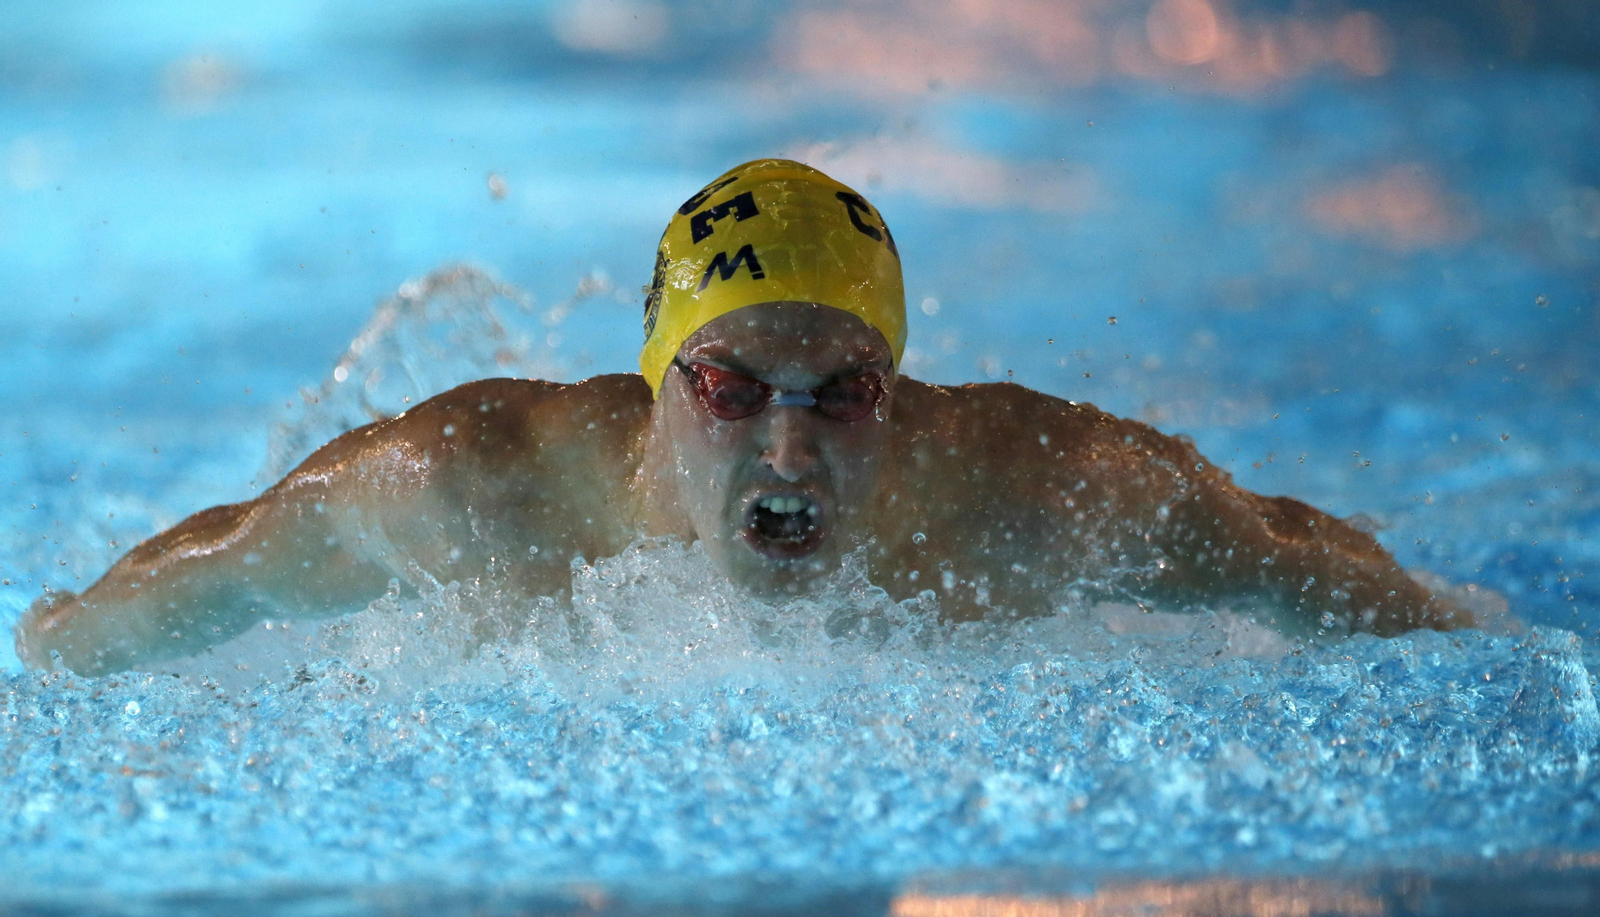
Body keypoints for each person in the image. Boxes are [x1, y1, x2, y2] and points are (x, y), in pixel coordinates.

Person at [15, 159, 1476, 675]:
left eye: (842, 393)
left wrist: (1476, 635)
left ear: (894, 391)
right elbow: (224, 561)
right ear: (663, 383)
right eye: (729, 387)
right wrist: (45, 662)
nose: (789, 449)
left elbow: (1290, 556)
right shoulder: (474, 486)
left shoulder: (1040, 494)